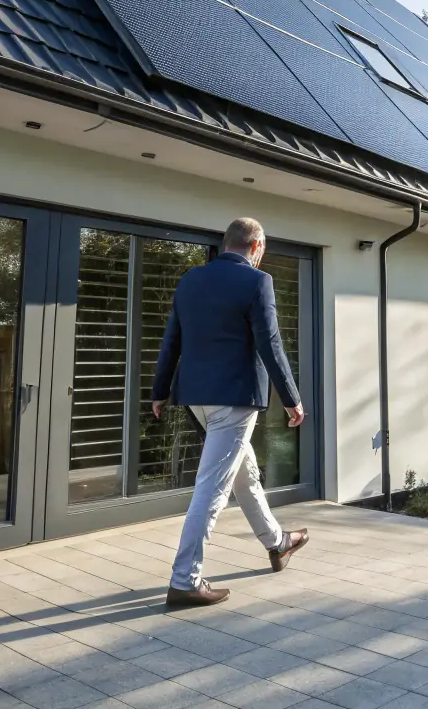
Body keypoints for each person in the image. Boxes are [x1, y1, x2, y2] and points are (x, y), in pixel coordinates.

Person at [151, 216, 308, 608]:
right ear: (256, 247)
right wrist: (292, 398)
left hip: (197, 399)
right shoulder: (257, 281)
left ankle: (277, 543)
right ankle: (184, 579)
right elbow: (270, 344)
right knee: (213, 488)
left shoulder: (191, 280)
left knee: (244, 474)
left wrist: (159, 391)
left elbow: (172, 339)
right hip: (235, 401)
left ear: (227, 244)